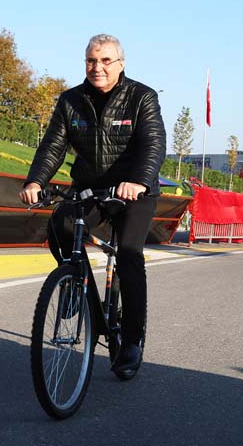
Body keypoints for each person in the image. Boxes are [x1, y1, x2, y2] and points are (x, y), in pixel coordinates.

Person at [19, 34, 166, 375]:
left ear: (120, 64)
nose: (97, 67)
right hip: (90, 189)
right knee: (59, 224)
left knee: (129, 254)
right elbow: (53, 146)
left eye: (105, 61)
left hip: (134, 192)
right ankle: (76, 288)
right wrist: (35, 181)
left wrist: (140, 181)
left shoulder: (142, 97)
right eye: (91, 61)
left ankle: (132, 341)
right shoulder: (71, 100)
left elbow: (153, 143)